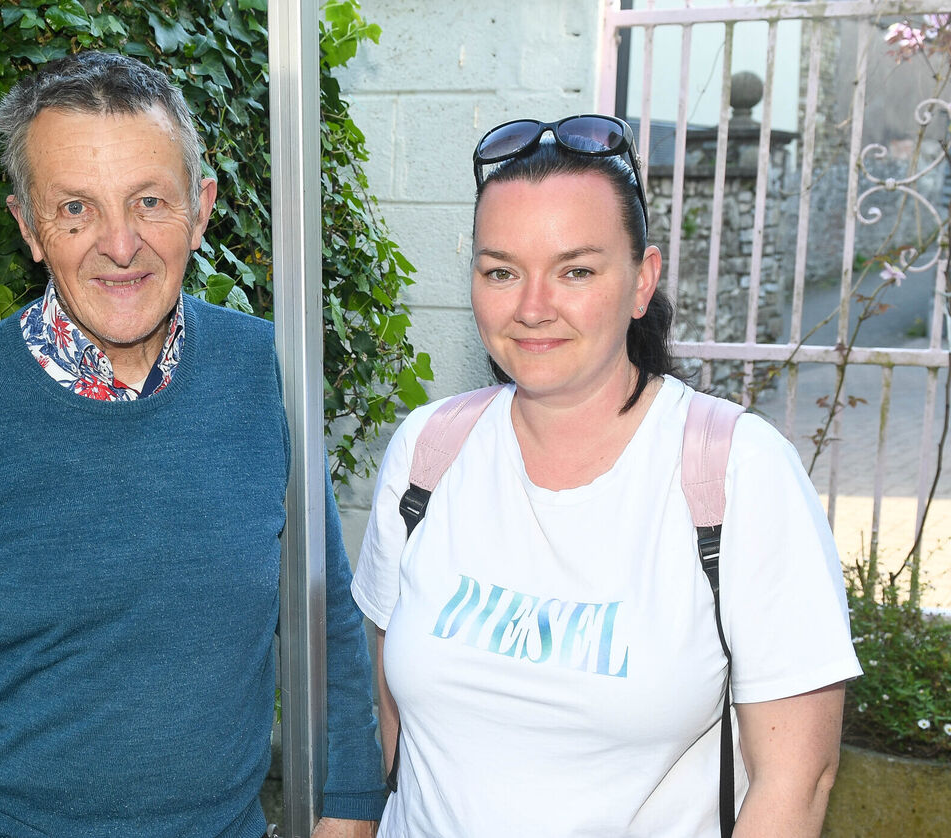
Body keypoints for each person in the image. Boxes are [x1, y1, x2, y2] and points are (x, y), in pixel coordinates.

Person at [0, 51, 384, 838]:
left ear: (201, 210)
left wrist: (347, 807)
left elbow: (322, 615)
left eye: (149, 201)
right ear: (29, 227)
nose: (120, 245)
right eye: (75, 210)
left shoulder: (267, 372)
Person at [351, 115, 862, 836]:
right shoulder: (427, 453)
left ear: (641, 281)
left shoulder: (736, 474)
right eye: (501, 270)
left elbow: (796, 780)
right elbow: (396, 711)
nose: (531, 307)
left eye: (576, 271)